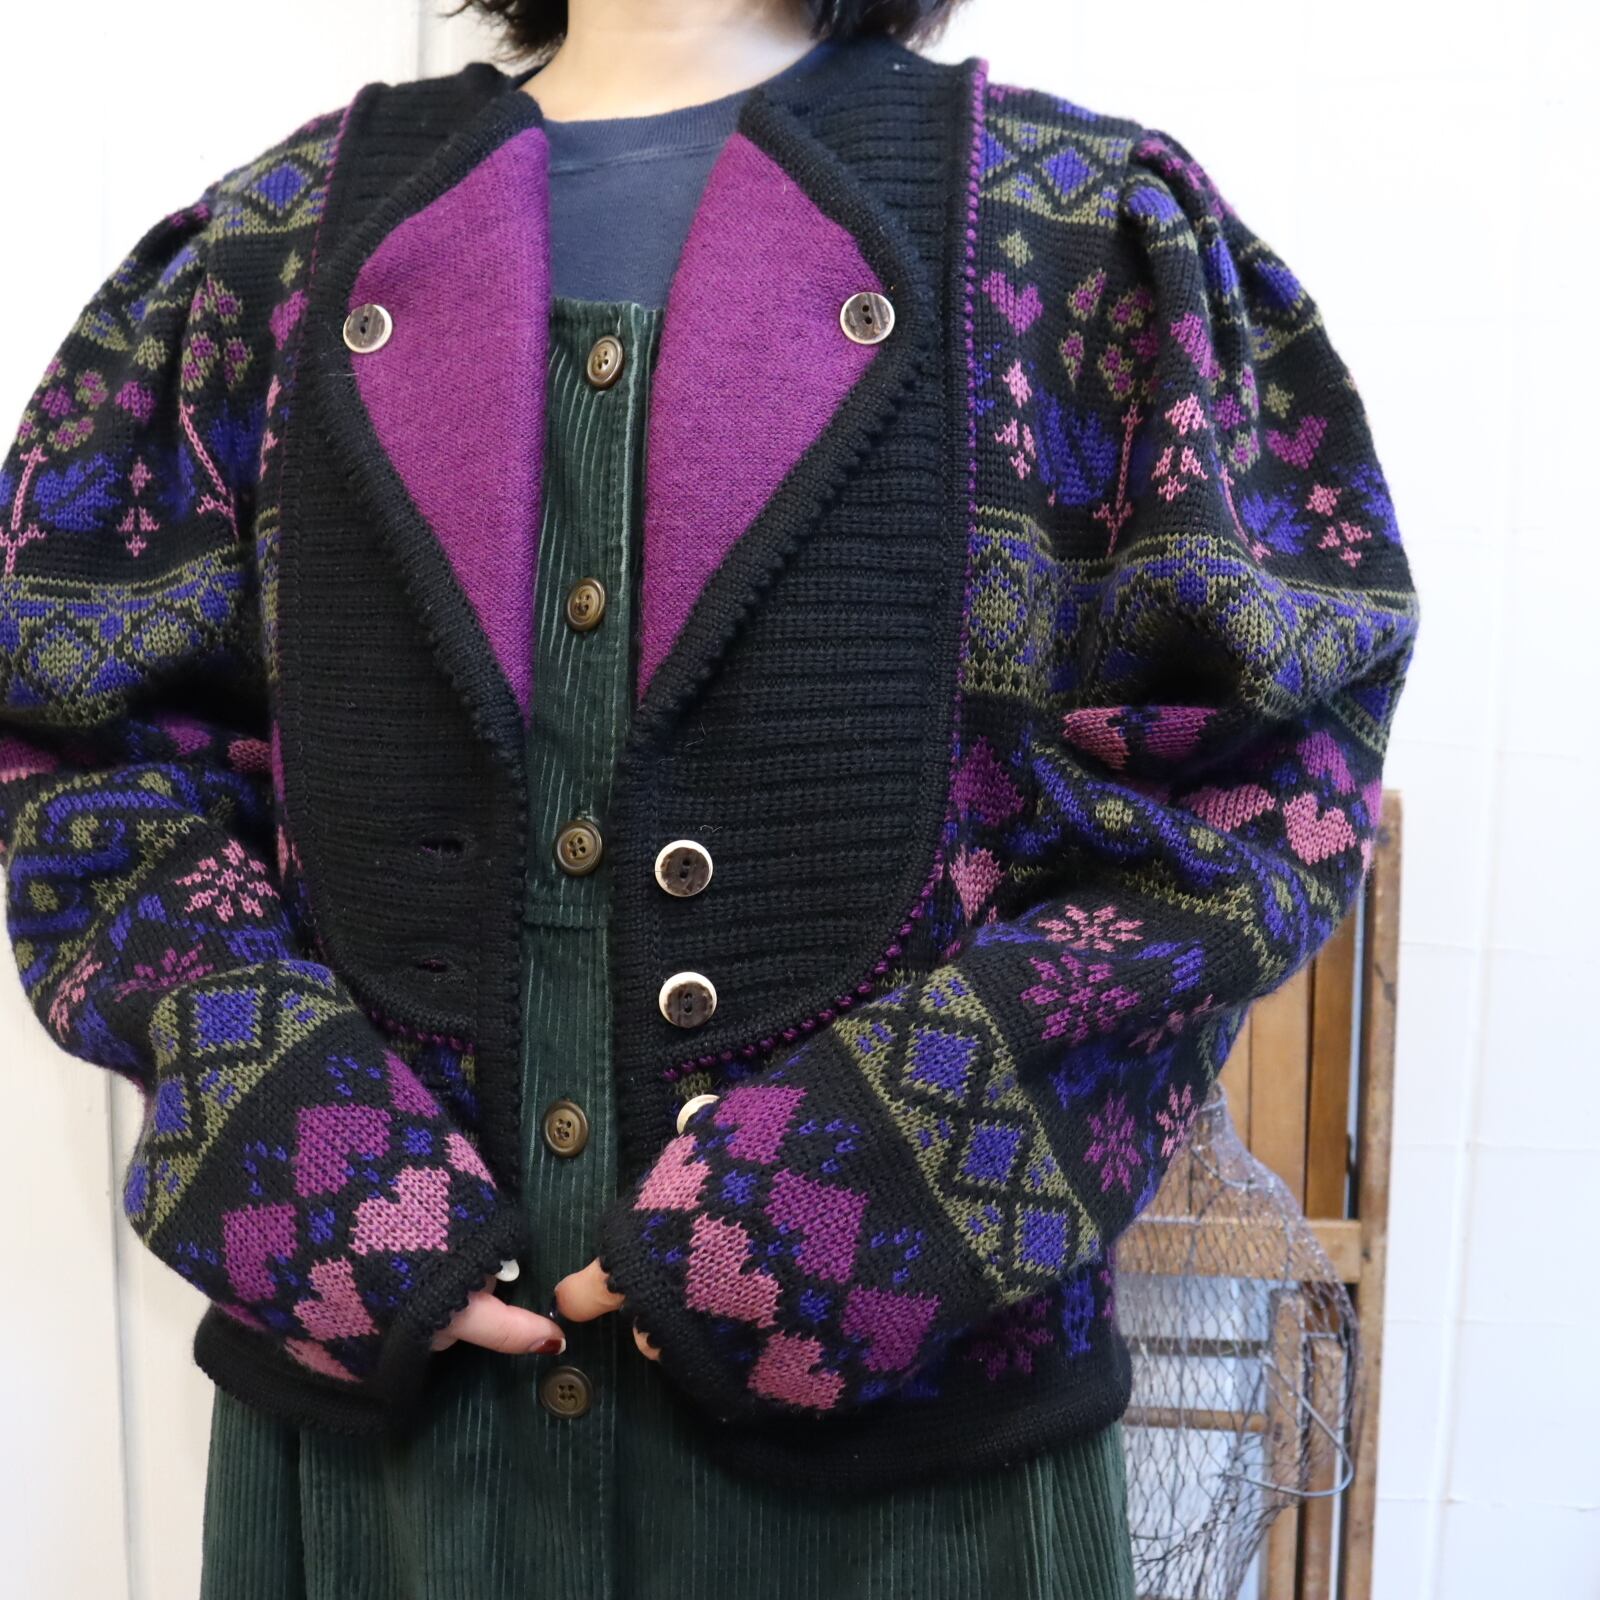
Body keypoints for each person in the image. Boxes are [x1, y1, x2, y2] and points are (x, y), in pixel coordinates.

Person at [0, 0, 1420, 1595]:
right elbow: (82, 760)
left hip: (911, 1490)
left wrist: (865, 1186)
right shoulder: (264, 258)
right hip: (389, 1480)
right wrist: (314, 1161)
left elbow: (1257, 786)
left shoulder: (1081, 236)